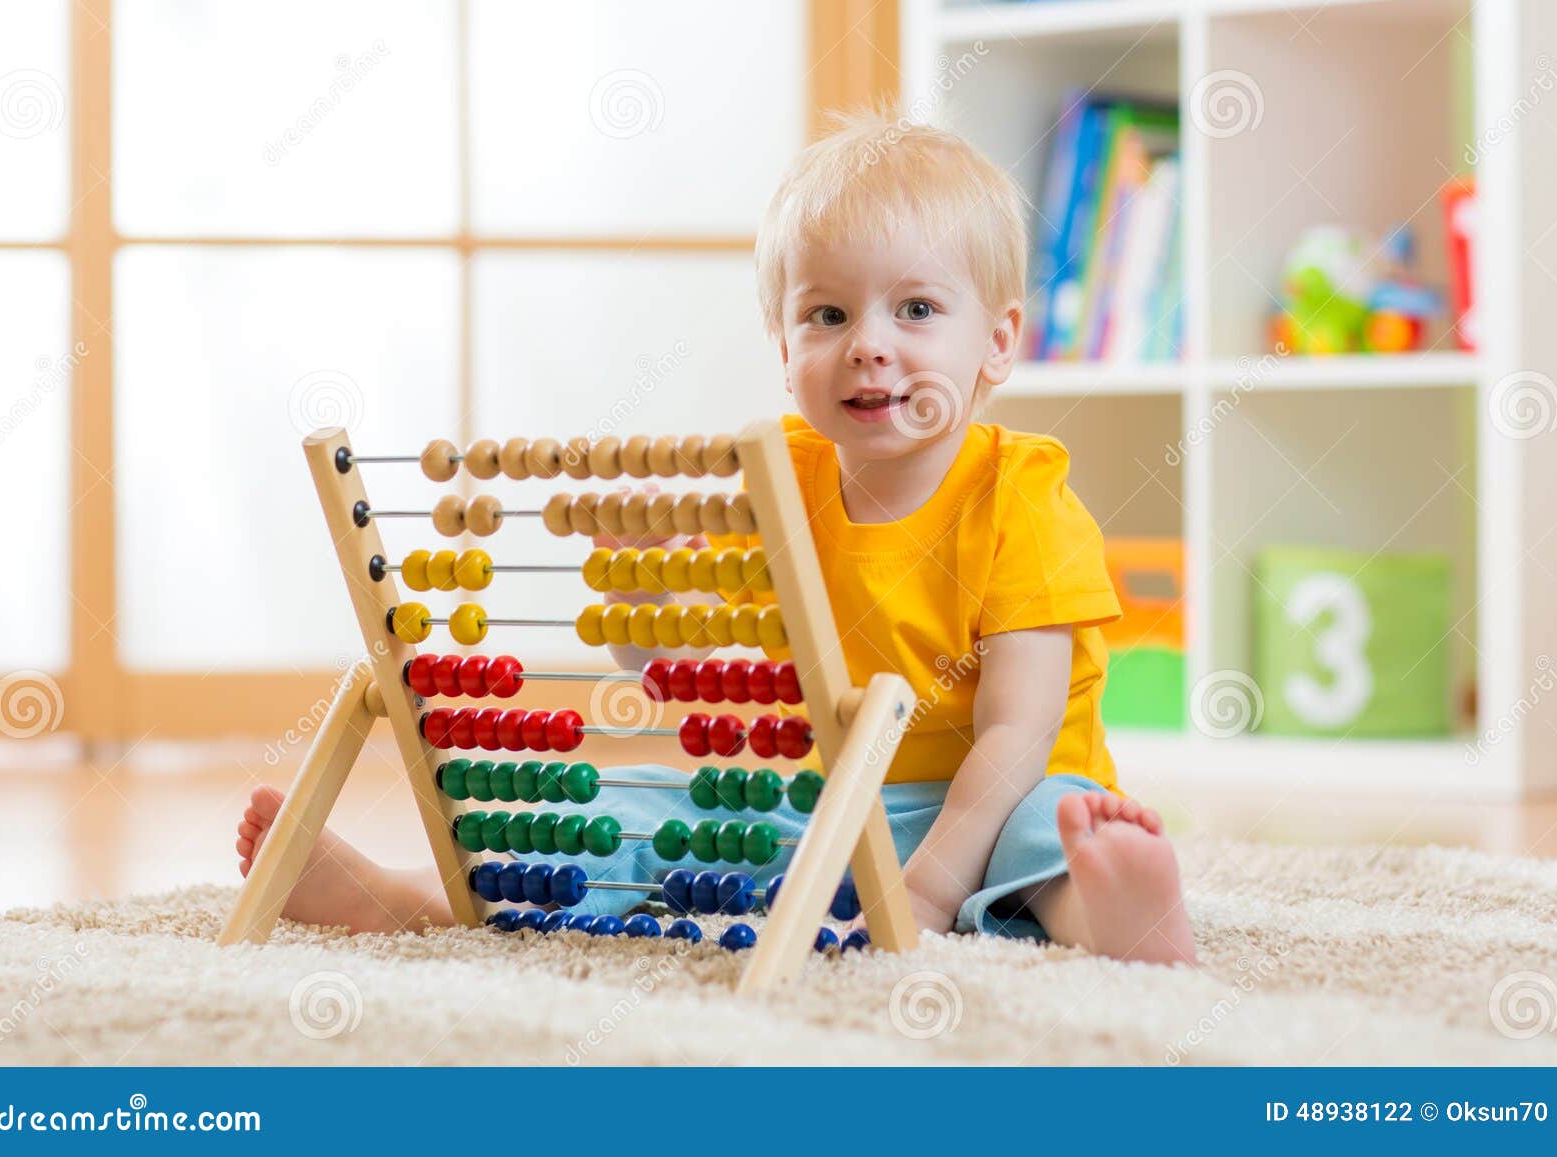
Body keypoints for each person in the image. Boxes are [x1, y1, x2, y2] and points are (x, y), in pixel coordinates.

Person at [235, 108, 1196, 965]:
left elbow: (1017, 735)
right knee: (634, 800)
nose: (869, 342)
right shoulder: (779, 480)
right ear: (785, 352)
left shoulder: (1020, 497)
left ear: (997, 342)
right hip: (829, 808)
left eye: (916, 309)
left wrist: (930, 892)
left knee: (1044, 834)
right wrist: (644, 588)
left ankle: (1113, 912)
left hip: (984, 803)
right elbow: (667, 661)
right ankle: (402, 895)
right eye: (828, 313)